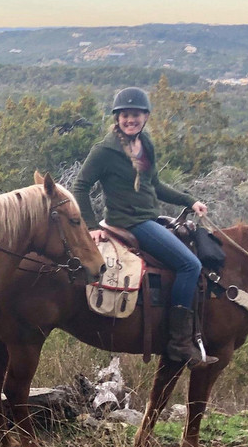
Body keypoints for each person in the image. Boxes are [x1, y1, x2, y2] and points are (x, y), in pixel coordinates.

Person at [72, 87, 216, 367]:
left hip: (150, 217)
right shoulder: (104, 151)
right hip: (131, 222)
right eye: (125, 115)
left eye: (135, 115)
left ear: (145, 117)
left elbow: (155, 185)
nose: (130, 120)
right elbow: (80, 186)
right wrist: (90, 226)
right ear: (117, 118)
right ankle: (179, 344)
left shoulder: (145, 143)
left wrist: (189, 201)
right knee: (190, 266)